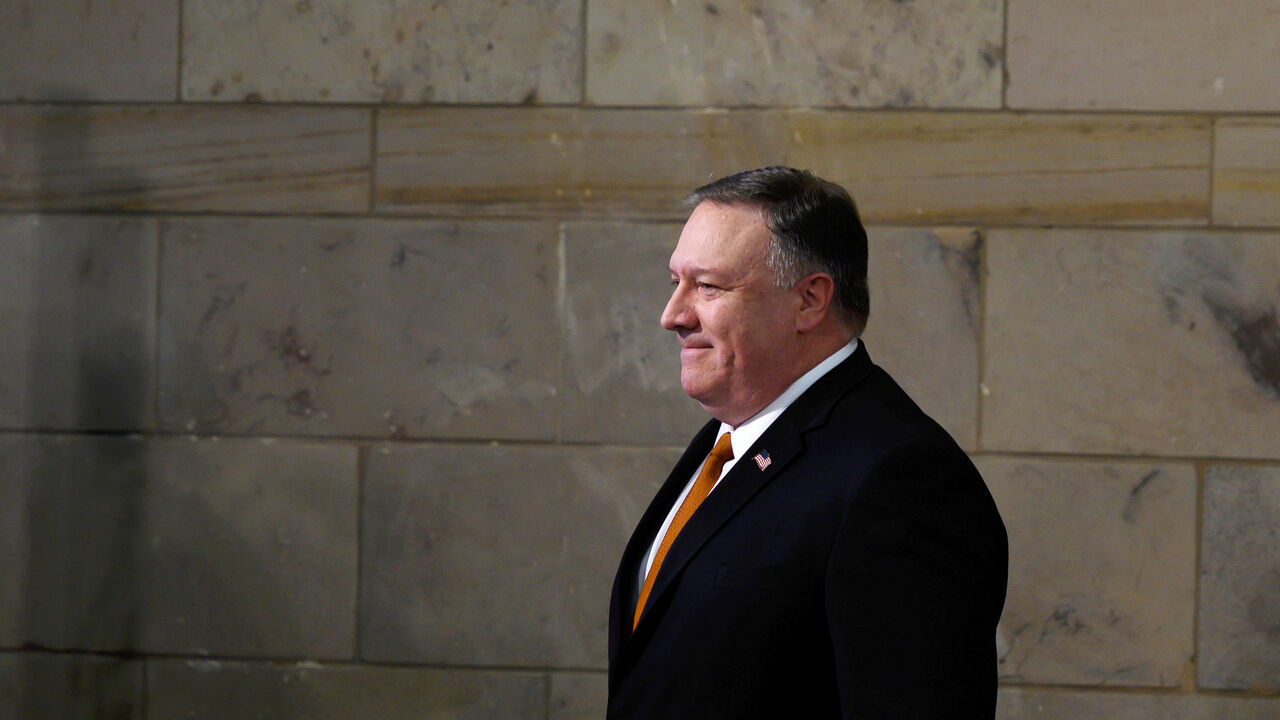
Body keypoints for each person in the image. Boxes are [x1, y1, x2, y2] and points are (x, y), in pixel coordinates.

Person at [606, 167, 1008, 719]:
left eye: (708, 286)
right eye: (674, 282)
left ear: (810, 301)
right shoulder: (730, 439)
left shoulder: (901, 481)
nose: (672, 315)